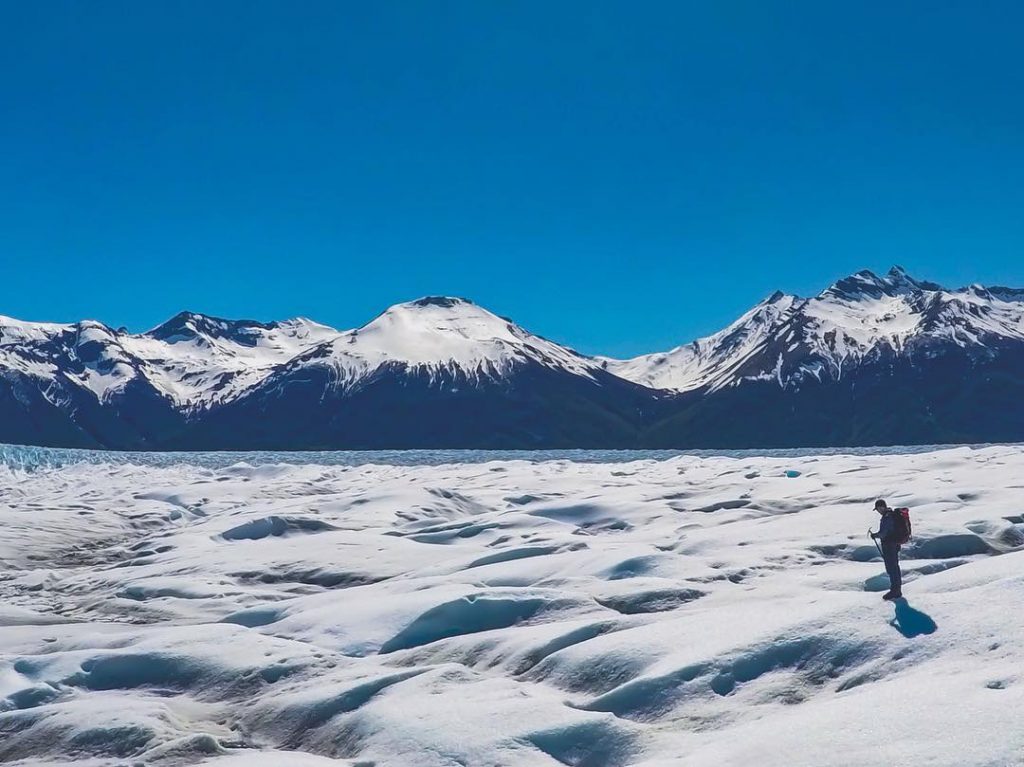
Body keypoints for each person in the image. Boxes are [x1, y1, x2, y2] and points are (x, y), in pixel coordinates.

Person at [871, 499, 903, 600]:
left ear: (882, 507)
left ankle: (895, 590)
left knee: (892, 567)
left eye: (878, 509)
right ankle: (896, 589)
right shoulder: (890, 516)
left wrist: (875, 535)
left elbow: (884, 533)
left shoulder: (887, 517)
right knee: (894, 567)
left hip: (890, 545)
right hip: (893, 545)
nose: (878, 511)